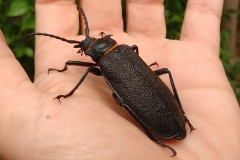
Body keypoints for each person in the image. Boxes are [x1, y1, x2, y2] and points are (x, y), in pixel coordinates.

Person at [0, 0, 239, 159]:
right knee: (159, 74)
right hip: (159, 106)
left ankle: (165, 129)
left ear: (91, 53)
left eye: (85, 45)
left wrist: (68, 89)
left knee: (122, 100)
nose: (84, 44)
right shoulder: (124, 49)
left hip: (156, 110)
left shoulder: (106, 61)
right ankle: (182, 117)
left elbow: (83, 66)